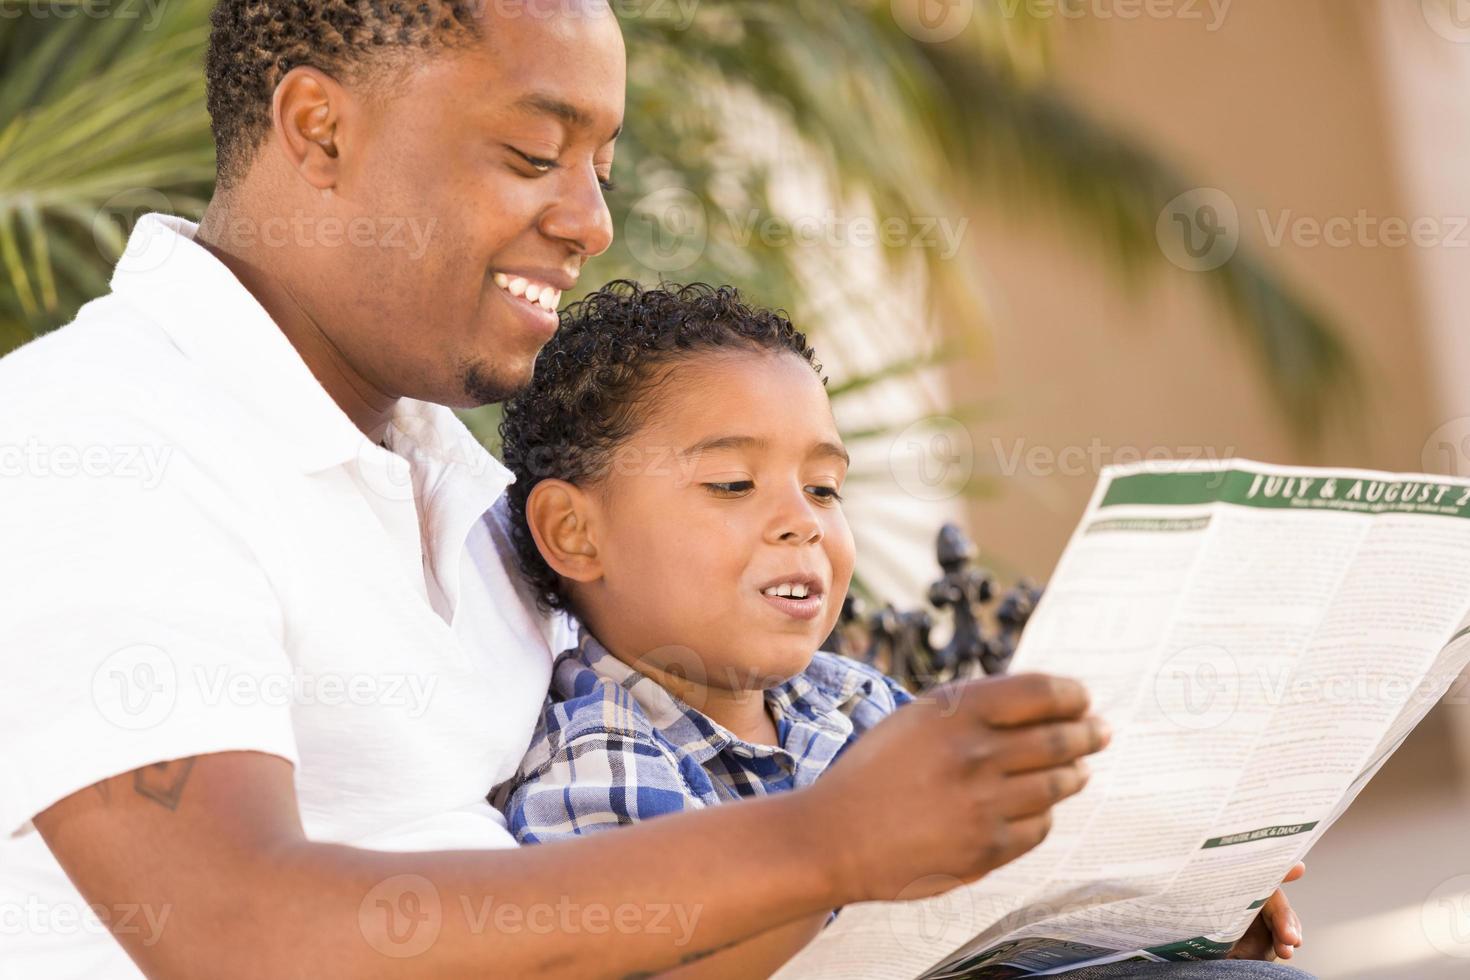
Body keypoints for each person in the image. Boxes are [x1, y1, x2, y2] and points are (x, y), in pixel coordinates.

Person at [0, 2, 1301, 978]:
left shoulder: (450, 465)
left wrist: (1101, 891)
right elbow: (236, 931)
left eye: (601, 166)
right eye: (529, 153)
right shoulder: (100, 442)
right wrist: (827, 845)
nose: (590, 220)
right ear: (318, 128)